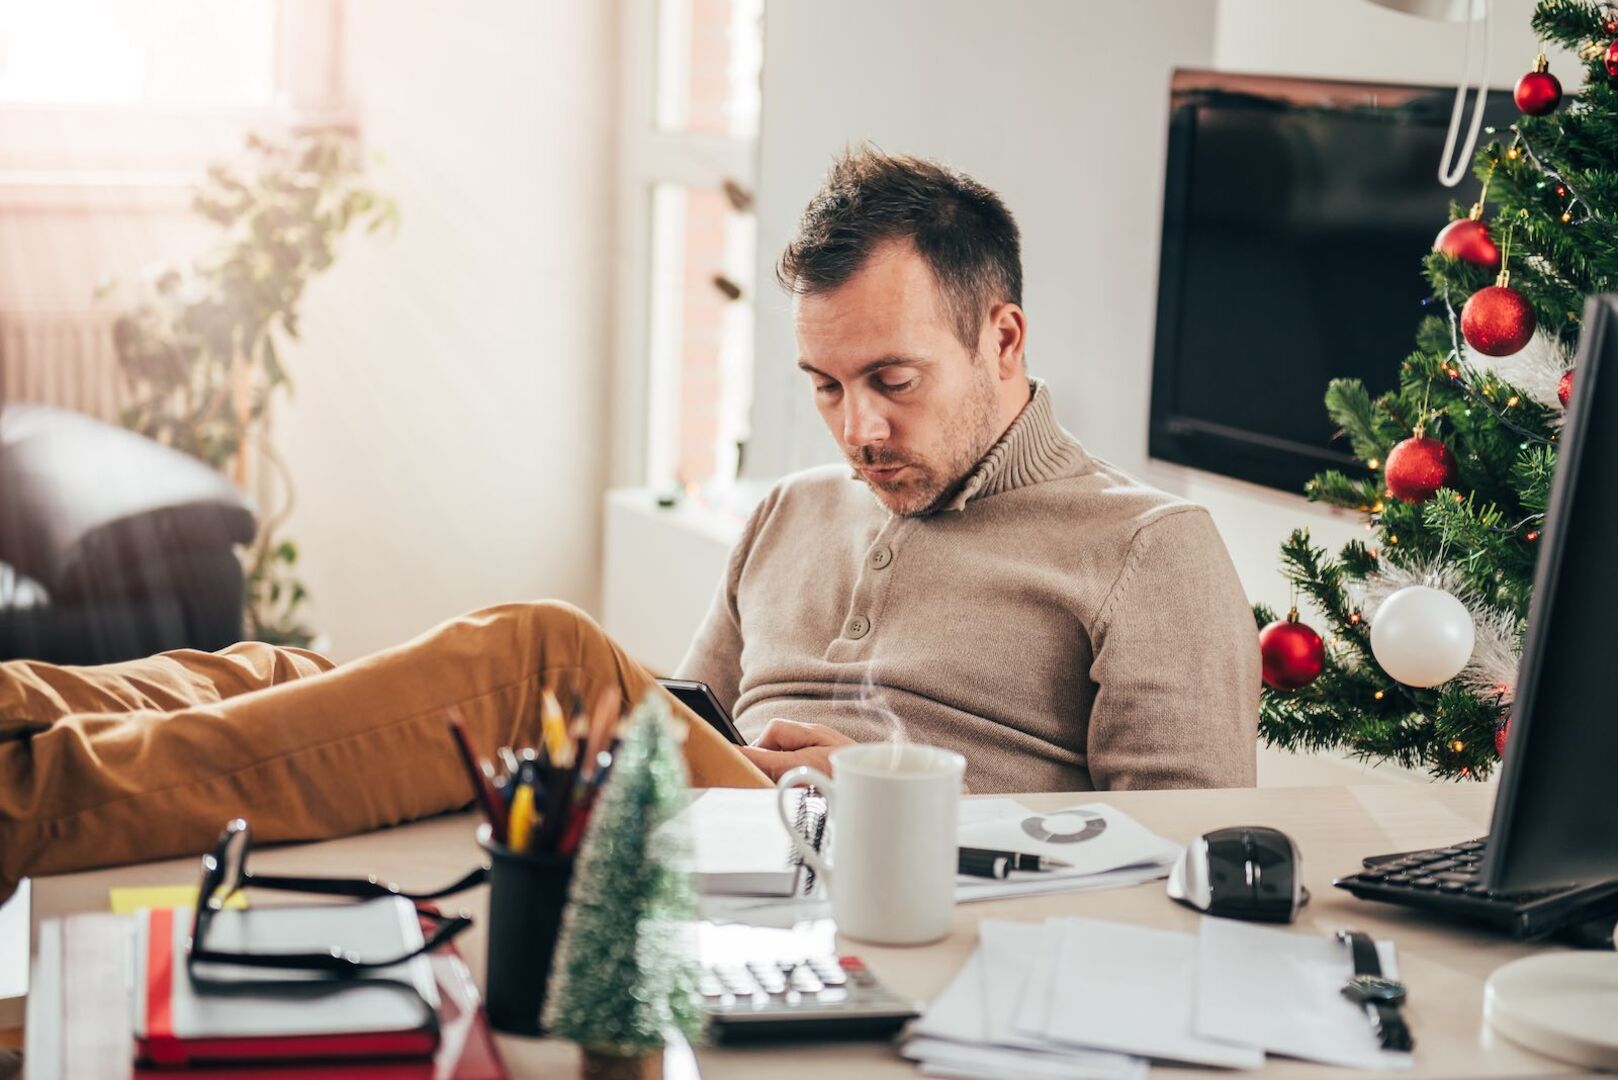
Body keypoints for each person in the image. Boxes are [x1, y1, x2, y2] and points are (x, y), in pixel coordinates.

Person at [0, 148, 1257, 902]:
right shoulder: (791, 510)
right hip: (726, 850)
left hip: (885, 878)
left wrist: (896, 793)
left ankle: (24, 809)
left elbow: (1188, 872)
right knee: (286, 672)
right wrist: (737, 755)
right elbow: (677, 725)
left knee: (541, 662)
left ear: (1003, 337)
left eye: (893, 381)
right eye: (825, 388)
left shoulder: (1147, 546)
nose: (858, 431)